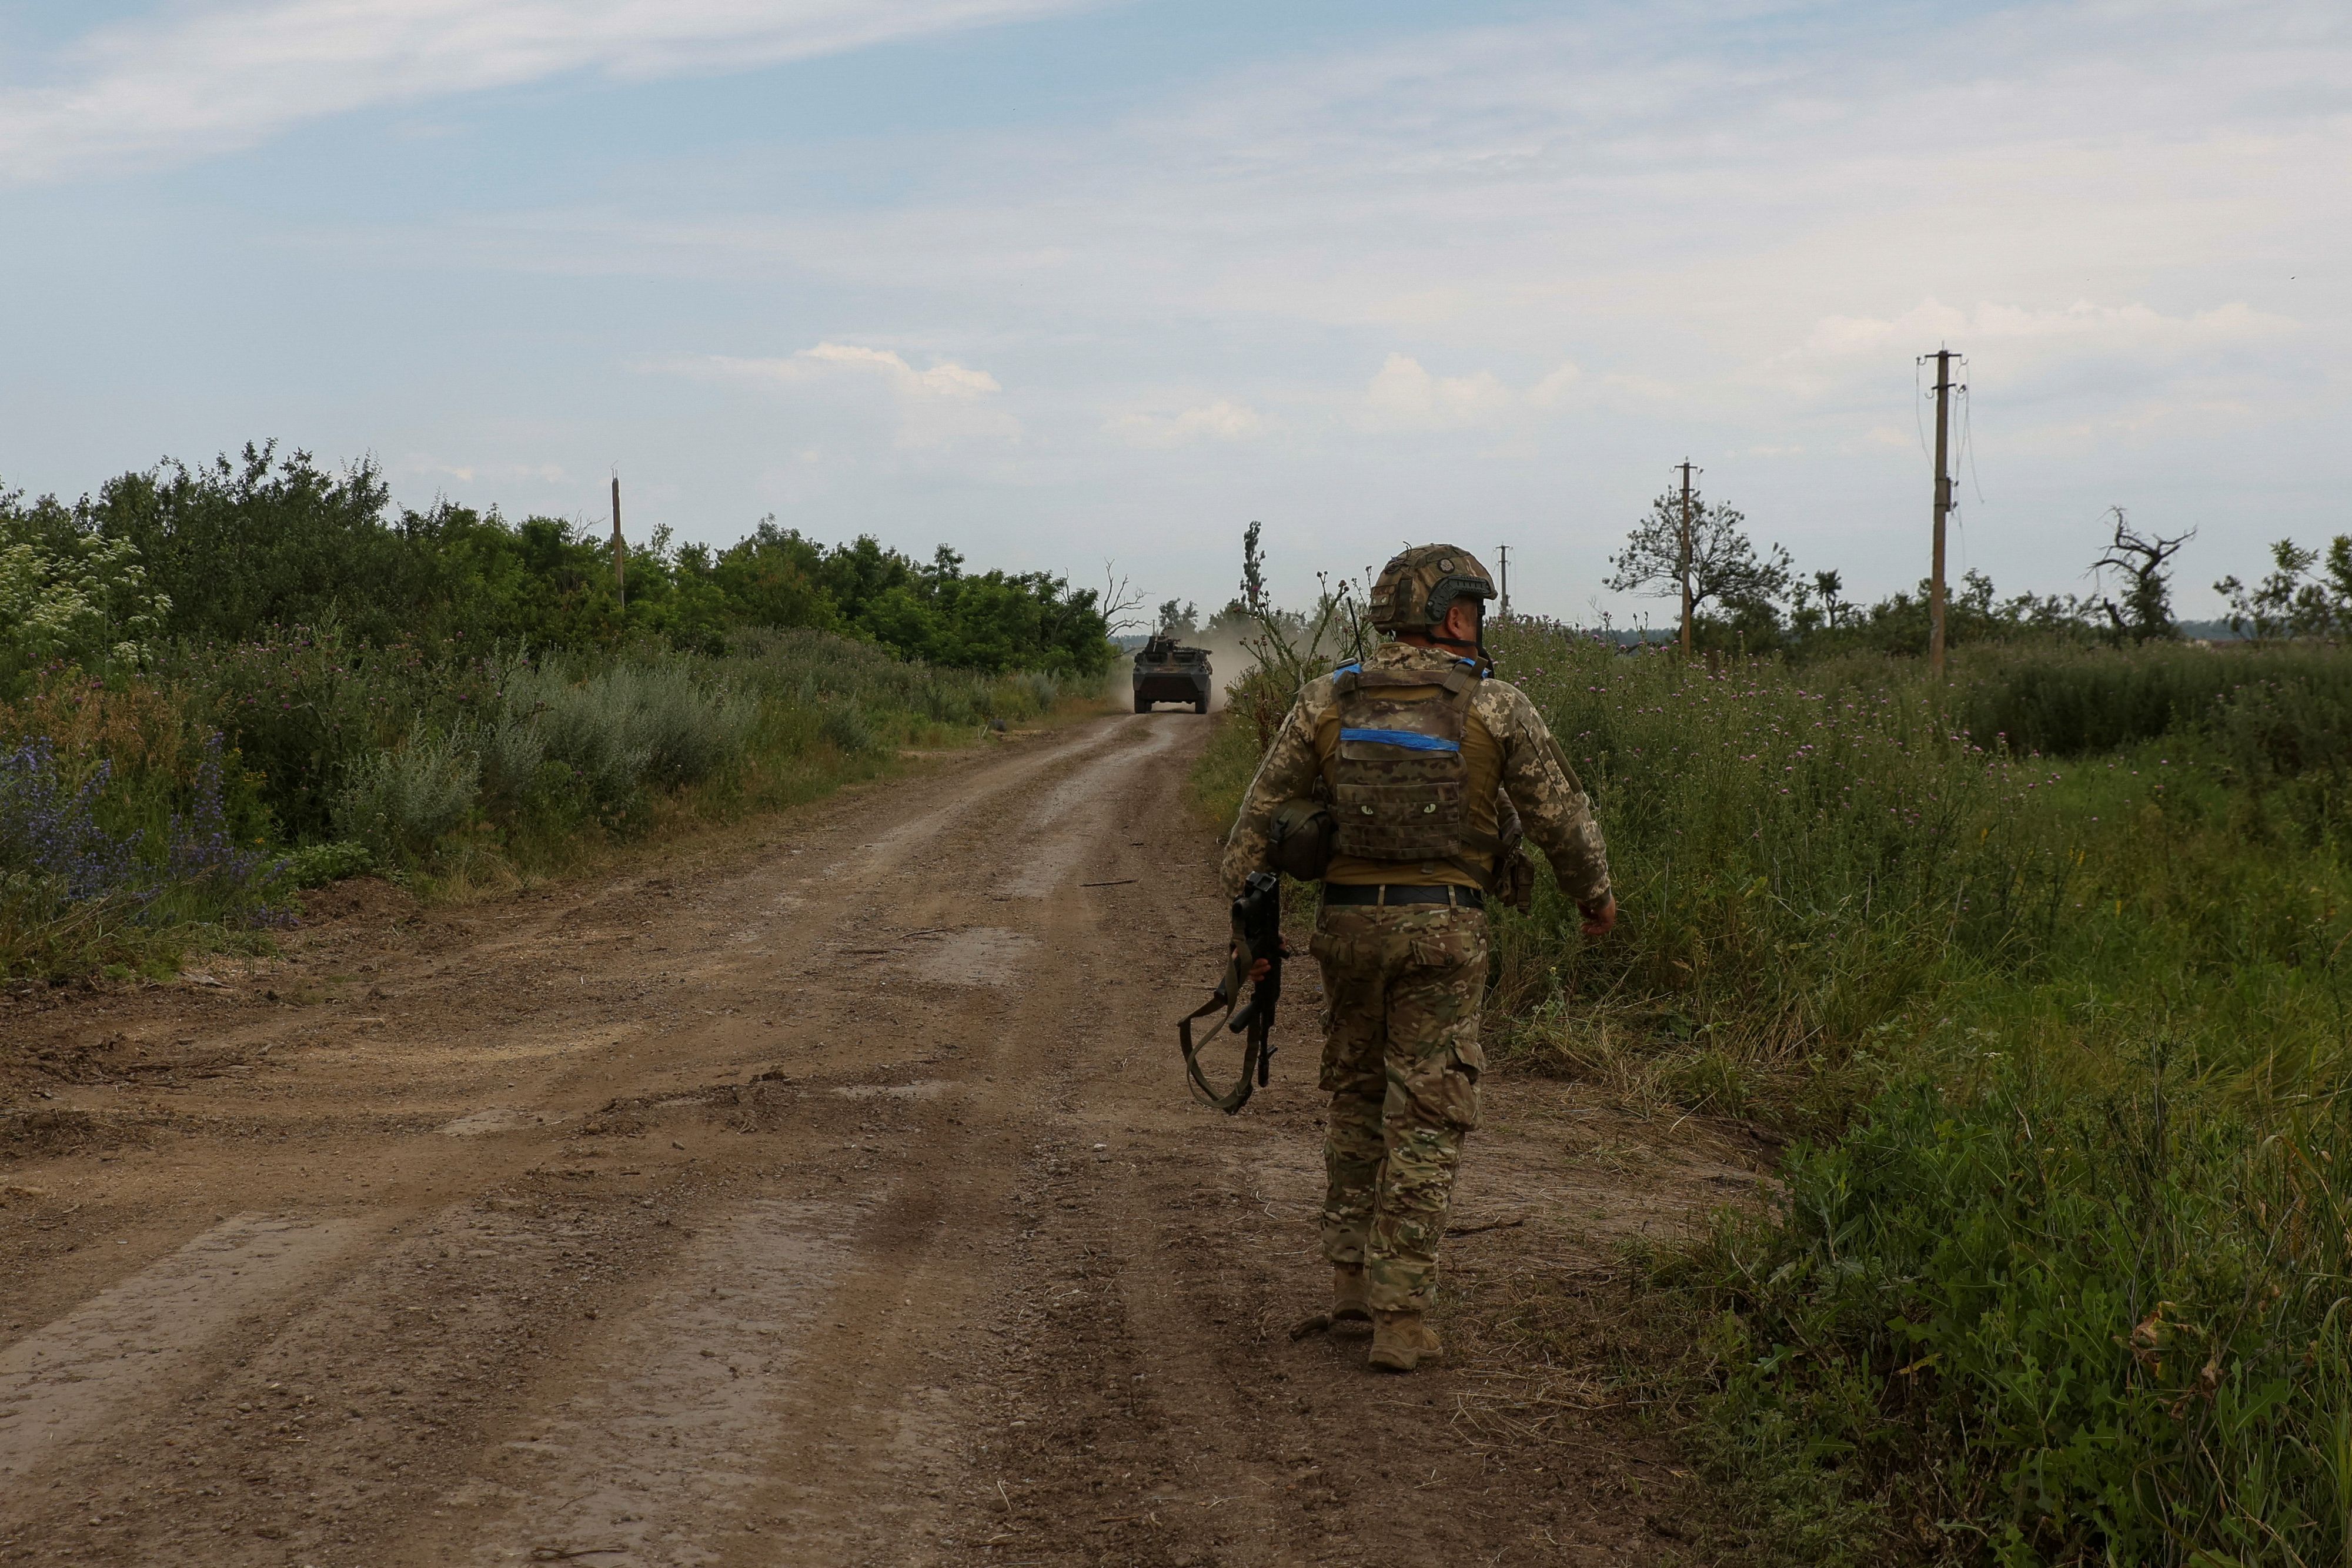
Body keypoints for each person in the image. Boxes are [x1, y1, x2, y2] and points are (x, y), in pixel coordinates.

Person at [1219, 545, 1615, 1372]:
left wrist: (1251, 938)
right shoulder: (1497, 706)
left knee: (1358, 1098)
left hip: (1348, 932)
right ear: (1456, 616)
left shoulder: (1327, 698)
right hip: (1444, 932)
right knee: (1428, 1116)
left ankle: (1349, 1286)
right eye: (1475, 608)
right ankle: (1402, 1319)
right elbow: (1561, 820)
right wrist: (1595, 900)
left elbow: (1250, 838)